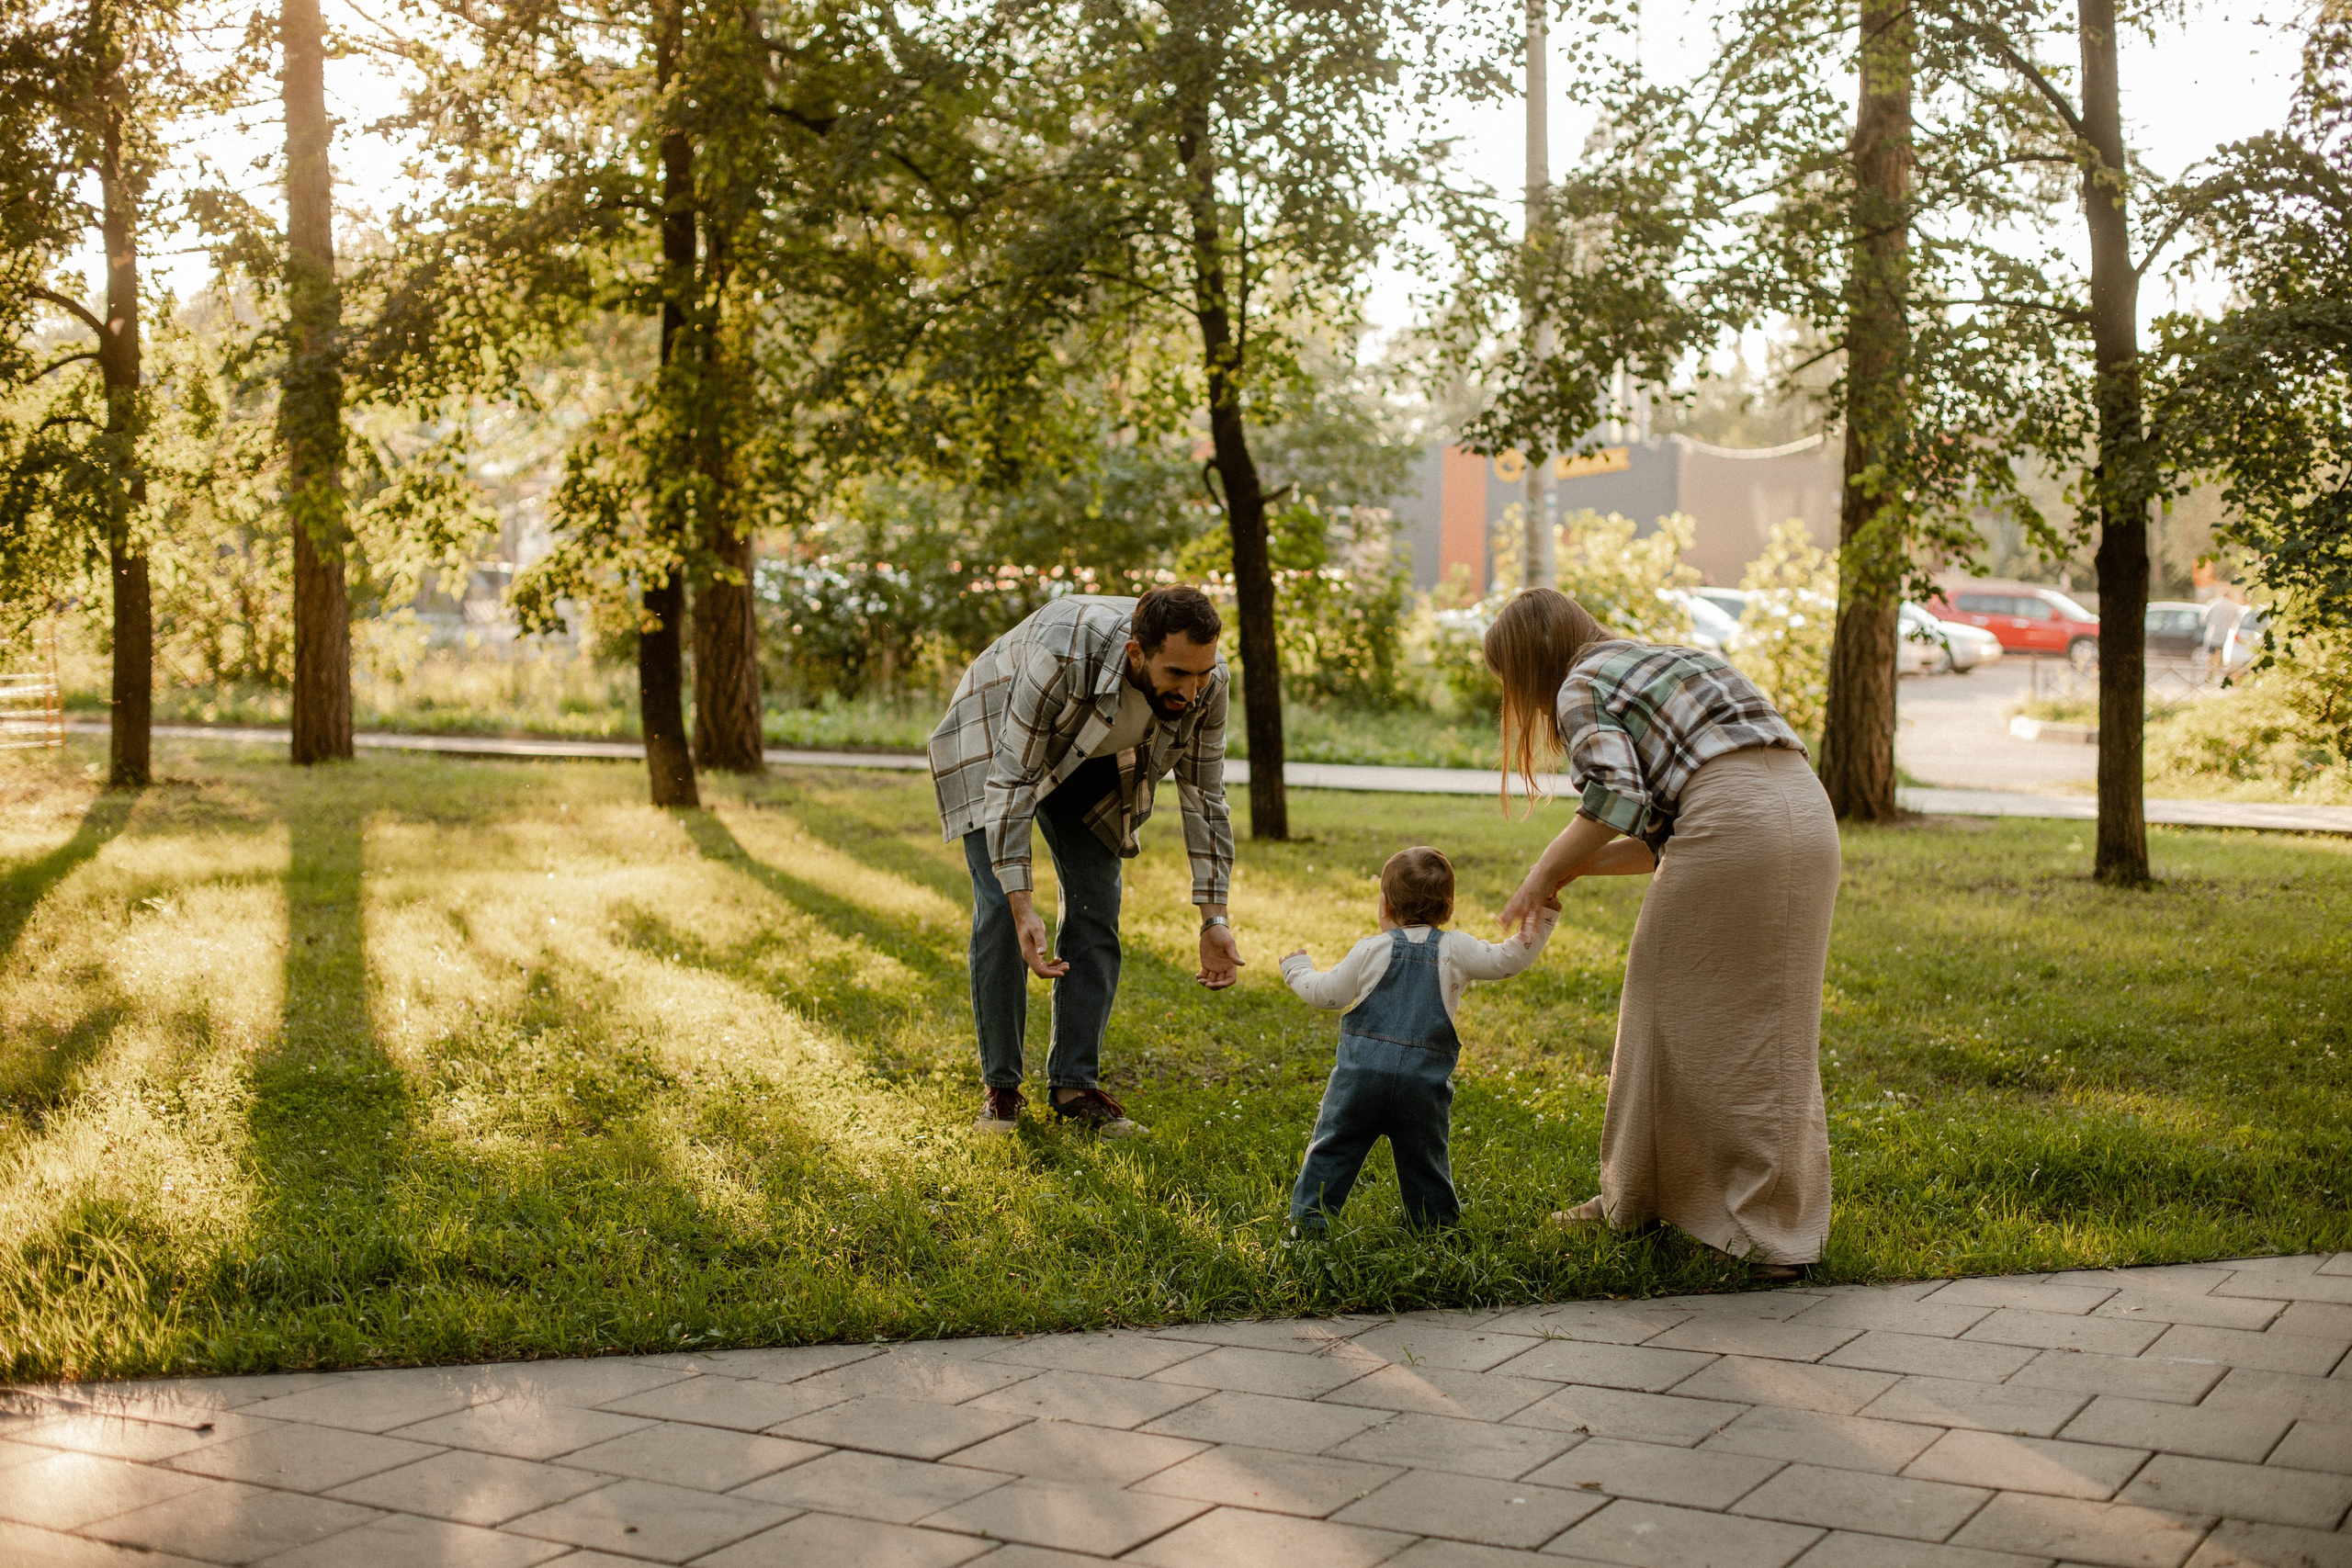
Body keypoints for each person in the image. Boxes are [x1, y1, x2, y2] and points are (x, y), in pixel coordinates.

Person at [1486, 588, 1839, 1280]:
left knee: (1685, 1017)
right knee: (1758, 1020)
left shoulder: (1582, 681)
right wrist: (1576, 871)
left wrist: (1540, 872)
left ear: (1533, 664)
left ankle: (1760, 1233)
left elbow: (1613, 799)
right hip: (1804, 815)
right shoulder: (1669, 656)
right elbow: (1655, 836)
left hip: (1736, 822)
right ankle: (1639, 1197)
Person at [929, 585, 1244, 1137]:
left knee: (1096, 905)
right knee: (1003, 913)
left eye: (1202, 673)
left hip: (1094, 753)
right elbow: (1011, 780)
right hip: (996, 737)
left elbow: (1205, 797)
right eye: (1177, 674)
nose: (1192, 690)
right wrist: (1024, 904)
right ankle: (1002, 1088)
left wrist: (1213, 919)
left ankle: (1074, 1087)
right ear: (1135, 653)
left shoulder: (1207, 682)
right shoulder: (1062, 654)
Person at [1281, 847, 1557, 1231]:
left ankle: (1307, 1227)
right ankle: (1435, 1230)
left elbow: (1327, 993)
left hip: (1359, 1081)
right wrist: (1541, 918)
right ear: (1448, 909)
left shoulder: (1369, 950)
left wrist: (1297, 969)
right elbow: (1508, 959)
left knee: (1332, 1150)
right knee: (1425, 1160)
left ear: (1386, 904)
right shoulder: (1456, 949)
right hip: (1422, 1087)